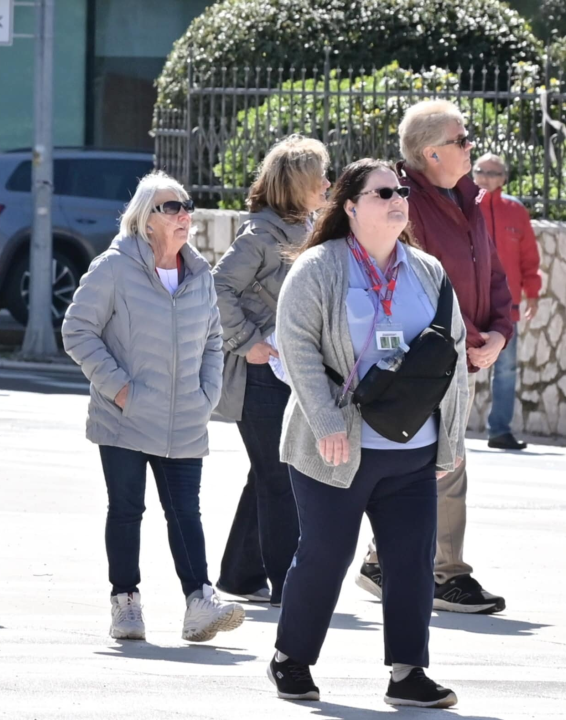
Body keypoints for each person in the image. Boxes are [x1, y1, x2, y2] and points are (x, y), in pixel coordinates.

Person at [269, 159, 467, 708]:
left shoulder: (427, 270)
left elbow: (451, 360)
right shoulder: (319, 267)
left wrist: (450, 440)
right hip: (336, 448)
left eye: (401, 190)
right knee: (325, 556)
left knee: (411, 562)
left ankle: (408, 672)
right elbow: (296, 347)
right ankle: (291, 659)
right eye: (383, 192)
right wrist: (326, 421)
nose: (398, 198)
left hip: (413, 448)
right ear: (351, 206)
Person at [62, 171, 245, 643]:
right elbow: (77, 330)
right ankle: (125, 602)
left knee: (186, 511)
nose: (184, 214)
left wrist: (206, 394)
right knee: (127, 510)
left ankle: (199, 603)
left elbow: (214, 339)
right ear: (146, 219)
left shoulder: (199, 274)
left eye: (186, 205)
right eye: (171, 207)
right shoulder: (113, 267)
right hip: (124, 415)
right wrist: (120, 389)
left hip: (185, 416)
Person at [356, 100, 512, 615]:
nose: (471, 147)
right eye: (461, 140)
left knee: (435, 463)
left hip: (465, 354)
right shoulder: (402, 200)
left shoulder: (468, 197)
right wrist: (472, 337)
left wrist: (500, 331)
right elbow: (420, 282)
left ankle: (383, 561)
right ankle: (445, 574)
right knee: (445, 462)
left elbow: (492, 273)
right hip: (426, 358)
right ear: (431, 152)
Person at [211, 135, 330, 606]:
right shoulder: (260, 236)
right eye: (319, 176)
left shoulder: (311, 227)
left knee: (267, 474)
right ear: (296, 184)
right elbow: (217, 289)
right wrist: (247, 342)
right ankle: (287, 584)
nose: (327, 183)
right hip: (260, 376)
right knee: (280, 476)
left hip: (292, 372)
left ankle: (240, 575)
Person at [474, 152, 542, 451]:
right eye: (481, 171)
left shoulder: (516, 211)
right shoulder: (463, 206)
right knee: (453, 367)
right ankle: (445, 432)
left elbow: (529, 257)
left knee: (506, 370)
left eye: (493, 173)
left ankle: (499, 431)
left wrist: (533, 293)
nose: (486, 178)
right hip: (469, 304)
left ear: (503, 178)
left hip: (507, 308)